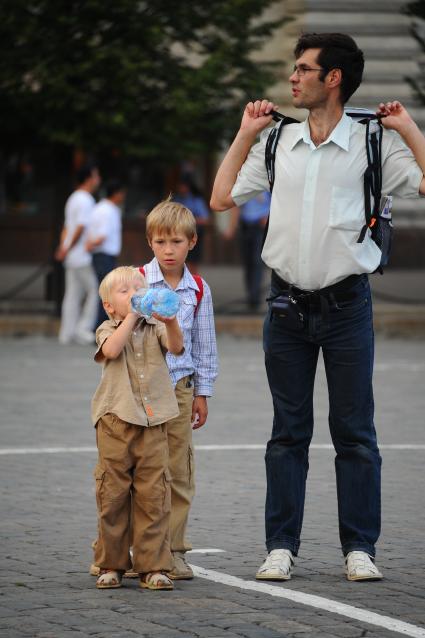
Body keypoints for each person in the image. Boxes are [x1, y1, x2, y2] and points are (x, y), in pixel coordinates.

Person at [210, 32, 425, 582]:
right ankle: (281, 546)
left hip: (348, 305)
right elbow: (221, 197)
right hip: (285, 306)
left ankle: (360, 548)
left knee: (355, 432)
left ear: (333, 78)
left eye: (304, 68)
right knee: (288, 432)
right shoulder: (279, 140)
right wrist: (244, 133)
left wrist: (409, 128)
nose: (292, 77)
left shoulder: (372, 142)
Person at [91, 266, 184, 591]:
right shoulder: (107, 327)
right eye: (124, 291)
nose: (134, 293)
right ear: (109, 306)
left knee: (153, 495)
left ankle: (153, 567)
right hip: (115, 420)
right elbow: (112, 351)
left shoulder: (155, 325)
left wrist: (170, 320)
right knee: (113, 495)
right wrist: (130, 317)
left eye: (139, 288)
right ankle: (111, 563)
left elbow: (175, 347)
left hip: (154, 420)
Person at [55, 163, 100, 345]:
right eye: (96, 175)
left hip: (71, 255)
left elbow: (67, 227)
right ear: (89, 178)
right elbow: (80, 227)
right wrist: (68, 247)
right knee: (94, 290)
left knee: (72, 294)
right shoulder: (86, 199)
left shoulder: (73, 198)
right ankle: (83, 330)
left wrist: (63, 247)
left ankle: (66, 333)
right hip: (81, 255)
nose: (98, 179)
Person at [86, 179, 125, 327]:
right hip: (104, 255)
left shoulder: (101, 208)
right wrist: (90, 246)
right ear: (116, 194)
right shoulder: (107, 210)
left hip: (101, 255)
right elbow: (102, 235)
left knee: (105, 290)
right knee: (107, 292)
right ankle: (99, 326)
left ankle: (101, 325)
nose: (123, 196)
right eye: (121, 193)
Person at [224, 191, 271, 311]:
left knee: (256, 261)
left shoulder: (267, 185)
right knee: (247, 262)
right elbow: (236, 206)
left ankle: (255, 297)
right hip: (245, 225)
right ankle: (251, 294)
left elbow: (277, 203)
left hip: (260, 226)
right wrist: (231, 227)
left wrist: (269, 218)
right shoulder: (246, 184)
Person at [173, 175, 210, 273]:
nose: (180, 188)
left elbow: (205, 219)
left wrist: (188, 220)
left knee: (192, 262)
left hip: (193, 233)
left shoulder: (196, 200)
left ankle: (193, 283)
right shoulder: (177, 199)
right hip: (178, 234)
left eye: (182, 186)